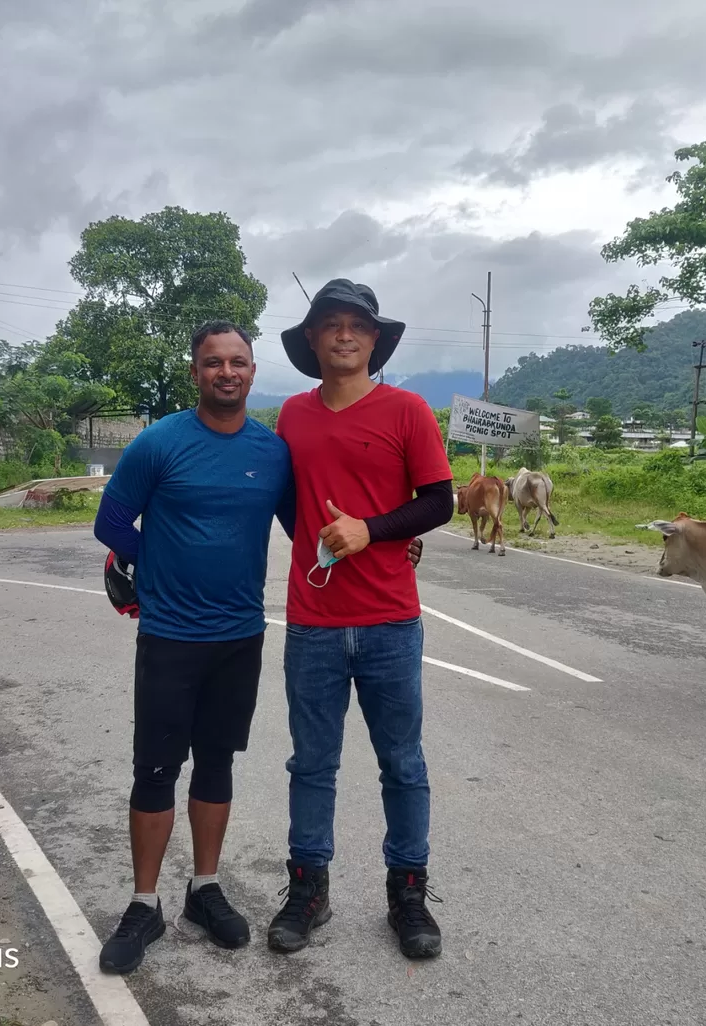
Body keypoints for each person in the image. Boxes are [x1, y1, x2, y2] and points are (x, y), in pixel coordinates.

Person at [92, 318, 424, 974]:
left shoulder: (272, 454)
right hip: (169, 635)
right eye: (213, 362)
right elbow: (111, 522)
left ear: (252, 372)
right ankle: (143, 903)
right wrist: (156, 573)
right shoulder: (159, 444)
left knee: (216, 766)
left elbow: (307, 530)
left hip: (239, 636)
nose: (226, 372)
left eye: (238, 362)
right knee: (156, 769)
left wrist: (388, 537)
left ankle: (204, 891)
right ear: (196, 373)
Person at [265, 279, 455, 960]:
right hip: (313, 621)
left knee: (402, 763)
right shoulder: (291, 415)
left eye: (357, 325)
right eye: (331, 324)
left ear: (374, 340)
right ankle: (307, 890)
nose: (344, 334)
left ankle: (407, 892)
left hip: (390, 622)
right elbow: (287, 501)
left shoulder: (408, 410)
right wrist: (319, 536)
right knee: (311, 764)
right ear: (312, 339)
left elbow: (439, 502)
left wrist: (372, 531)